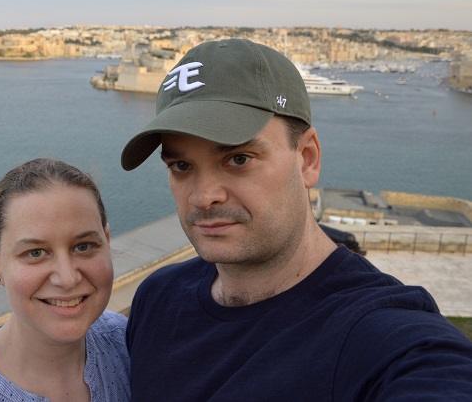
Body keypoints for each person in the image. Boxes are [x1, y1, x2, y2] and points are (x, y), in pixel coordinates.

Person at [120, 38, 472, 401]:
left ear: (307, 159)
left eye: (239, 159)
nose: (203, 196)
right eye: (181, 165)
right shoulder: (158, 298)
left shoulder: (381, 338)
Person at [0, 158, 130, 401]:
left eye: (83, 246)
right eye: (35, 253)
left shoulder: (130, 344)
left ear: (107, 240)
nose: (67, 278)